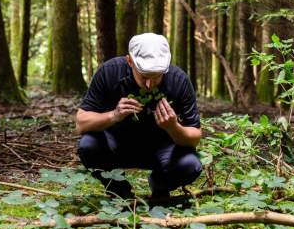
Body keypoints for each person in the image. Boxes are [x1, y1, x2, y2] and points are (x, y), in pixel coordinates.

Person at [76, 33, 202, 204]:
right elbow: (81, 122)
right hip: (117, 145)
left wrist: (173, 127)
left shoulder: (178, 80)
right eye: (144, 76)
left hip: (162, 150)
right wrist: (114, 115)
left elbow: (194, 137)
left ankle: (160, 187)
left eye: (156, 76)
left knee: (191, 165)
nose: (150, 85)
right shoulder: (110, 72)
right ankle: (120, 191)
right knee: (88, 145)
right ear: (129, 61)